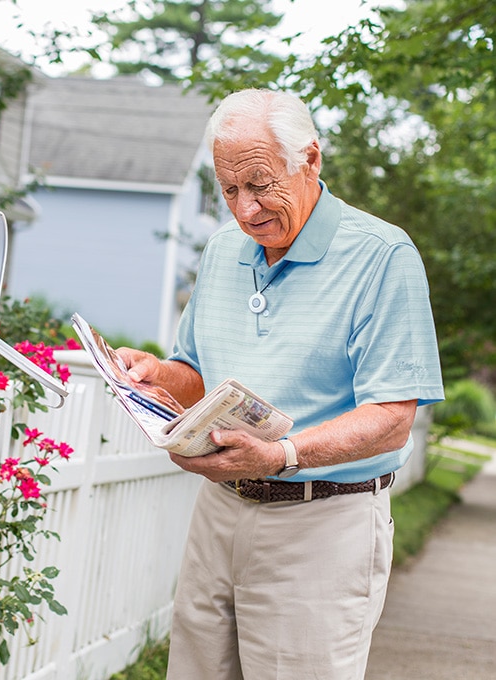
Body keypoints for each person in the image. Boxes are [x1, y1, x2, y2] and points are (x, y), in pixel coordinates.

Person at [116, 89, 444, 679]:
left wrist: (281, 455)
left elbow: (393, 414)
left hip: (323, 524)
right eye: (229, 189)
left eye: (261, 184)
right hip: (218, 514)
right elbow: (195, 375)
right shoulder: (221, 251)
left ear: (311, 160)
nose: (245, 210)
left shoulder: (382, 255)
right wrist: (156, 375)